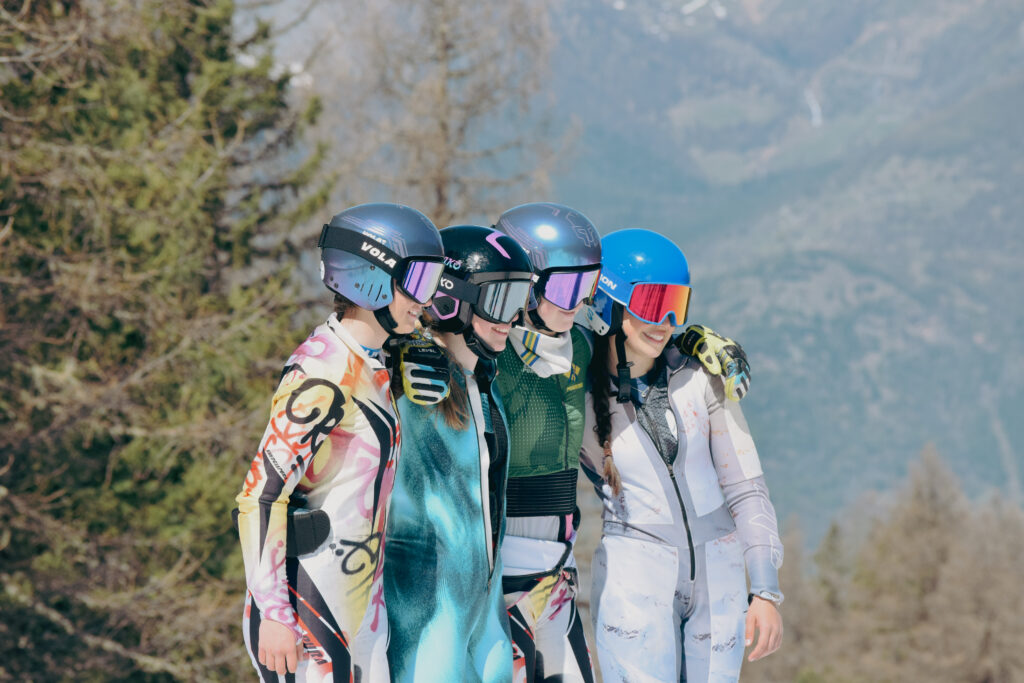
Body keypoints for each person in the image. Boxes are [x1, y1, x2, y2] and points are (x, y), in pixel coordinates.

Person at [235, 203, 445, 682]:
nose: (425, 300)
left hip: (360, 603)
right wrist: (273, 613)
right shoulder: (325, 373)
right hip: (308, 600)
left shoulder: (370, 363)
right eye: (416, 282)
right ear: (369, 278)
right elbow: (260, 495)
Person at [579, 229, 784, 683]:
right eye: (653, 304)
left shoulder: (702, 378)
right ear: (610, 305)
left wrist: (765, 590)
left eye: (678, 305)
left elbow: (747, 488)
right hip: (635, 579)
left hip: (720, 577)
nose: (666, 320)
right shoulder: (579, 393)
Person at [383, 225, 535, 682]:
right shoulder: (412, 379)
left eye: (519, 300)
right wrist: (398, 350)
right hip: (427, 610)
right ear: (453, 299)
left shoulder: (485, 388)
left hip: (484, 608)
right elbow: (351, 363)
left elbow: (570, 345)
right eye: (499, 301)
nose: (512, 317)